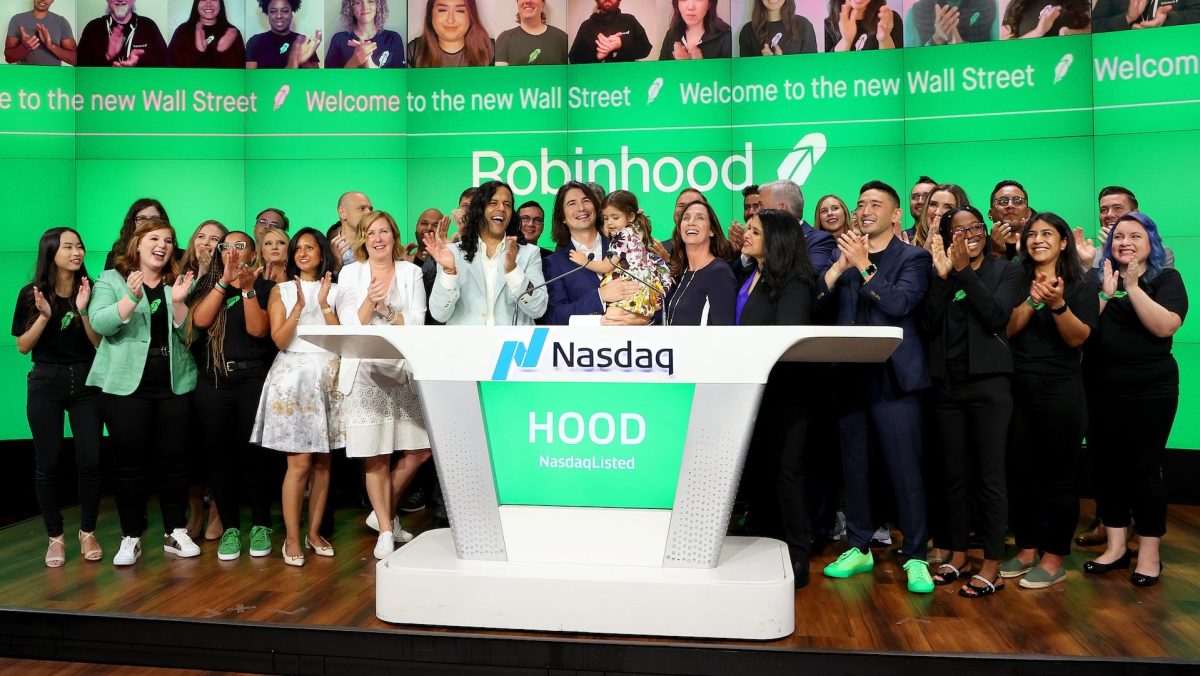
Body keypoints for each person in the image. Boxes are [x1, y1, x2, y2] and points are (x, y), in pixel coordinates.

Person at [816, 181, 934, 595]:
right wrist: (836, 269)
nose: (865, 210)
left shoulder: (914, 257)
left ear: (896, 214)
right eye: (861, 203)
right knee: (856, 468)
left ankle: (917, 555)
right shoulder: (840, 256)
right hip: (850, 376)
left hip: (895, 379)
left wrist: (865, 266)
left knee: (905, 470)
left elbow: (900, 304)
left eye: (875, 204)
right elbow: (816, 306)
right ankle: (860, 545)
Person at [921, 206, 1021, 597]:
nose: (969, 235)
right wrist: (946, 278)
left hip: (989, 387)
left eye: (975, 228)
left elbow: (997, 316)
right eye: (958, 231)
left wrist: (964, 272)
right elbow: (927, 324)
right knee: (954, 476)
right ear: (947, 237)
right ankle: (959, 554)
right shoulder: (940, 274)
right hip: (947, 386)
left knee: (990, 477)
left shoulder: (1006, 269)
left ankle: (992, 563)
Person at [1083, 212, 1186, 588]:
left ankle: (1149, 552)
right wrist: (1106, 295)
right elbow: (1081, 333)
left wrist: (1134, 287)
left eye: (1135, 236)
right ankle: (1115, 546)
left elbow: (1165, 326)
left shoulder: (1165, 278)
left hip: (1151, 388)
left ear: (1151, 243)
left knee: (1144, 468)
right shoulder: (1096, 280)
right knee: (1106, 466)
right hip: (1099, 386)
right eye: (1118, 236)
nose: (1125, 241)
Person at [88, 218, 198, 566]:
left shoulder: (175, 284)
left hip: (173, 382)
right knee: (130, 465)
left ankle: (175, 531)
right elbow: (101, 324)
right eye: (154, 238)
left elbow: (189, 337)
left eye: (168, 240)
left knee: (175, 462)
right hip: (125, 386)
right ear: (137, 243)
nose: (162, 245)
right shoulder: (111, 280)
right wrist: (132, 298)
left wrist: (180, 302)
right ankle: (131, 536)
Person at [1001, 212, 1095, 589]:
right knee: (1019, 474)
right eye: (1032, 234)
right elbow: (1005, 329)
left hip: (1062, 391)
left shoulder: (1081, 284)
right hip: (1018, 388)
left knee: (1059, 479)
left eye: (1047, 234)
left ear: (1063, 242)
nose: (1037, 239)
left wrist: (1057, 304)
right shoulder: (1016, 278)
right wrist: (1033, 302)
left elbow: (1078, 338)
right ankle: (1026, 550)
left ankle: (1054, 558)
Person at [335, 211, 432, 559]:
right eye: (370, 233)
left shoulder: (411, 272)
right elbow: (348, 325)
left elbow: (418, 322)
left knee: (419, 449)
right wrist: (368, 302)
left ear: (393, 235)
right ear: (363, 239)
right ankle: (388, 530)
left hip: (402, 371)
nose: (377, 238)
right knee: (375, 455)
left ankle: (381, 514)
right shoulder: (350, 273)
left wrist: (389, 312)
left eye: (383, 231)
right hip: (364, 373)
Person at [251, 228, 342, 567]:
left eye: (310, 247)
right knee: (299, 462)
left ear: (322, 253)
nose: (303, 253)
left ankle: (314, 532)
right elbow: (280, 340)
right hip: (293, 380)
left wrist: (323, 304)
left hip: (328, 378)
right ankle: (291, 537)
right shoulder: (281, 290)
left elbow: (342, 339)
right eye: (298, 248)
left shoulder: (338, 288)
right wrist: (300, 309)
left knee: (323, 463)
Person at [737, 209, 816, 587]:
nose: (747, 233)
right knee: (763, 472)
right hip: (754, 391)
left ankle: (799, 553)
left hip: (786, 391)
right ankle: (767, 545)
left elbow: (787, 338)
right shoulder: (752, 275)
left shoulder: (796, 282)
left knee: (788, 472)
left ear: (777, 239)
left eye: (755, 230)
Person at [14, 228, 101, 566]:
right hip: (45, 381)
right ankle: (55, 537)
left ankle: (87, 531)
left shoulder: (90, 289)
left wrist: (82, 310)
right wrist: (45, 316)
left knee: (91, 461)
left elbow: (97, 343)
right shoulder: (31, 293)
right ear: (51, 252)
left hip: (86, 380)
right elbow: (23, 346)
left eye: (79, 245)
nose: (76, 252)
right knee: (47, 463)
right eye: (68, 247)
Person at [188, 232, 277, 561]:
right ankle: (229, 528)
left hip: (252, 378)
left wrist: (248, 288)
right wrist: (224, 283)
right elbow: (199, 321)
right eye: (227, 246)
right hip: (213, 382)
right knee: (220, 460)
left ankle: (261, 524)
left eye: (241, 245)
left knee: (255, 457)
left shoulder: (265, 288)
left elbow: (258, 330)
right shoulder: (209, 286)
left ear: (253, 252)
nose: (233, 251)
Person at [425, 180, 548, 325]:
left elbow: (538, 309)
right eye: (493, 202)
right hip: (466, 345)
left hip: (512, 345)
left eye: (507, 204)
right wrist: (448, 271)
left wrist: (513, 270)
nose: (502, 208)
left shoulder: (529, 253)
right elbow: (439, 314)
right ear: (479, 210)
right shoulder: (453, 253)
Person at [541, 181, 638, 324]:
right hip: (581, 345)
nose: (581, 208)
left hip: (635, 342)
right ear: (562, 217)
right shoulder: (554, 263)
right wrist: (600, 296)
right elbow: (555, 316)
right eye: (571, 203)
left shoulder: (626, 245)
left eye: (586, 201)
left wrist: (643, 319)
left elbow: (656, 293)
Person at [572, 190, 672, 324]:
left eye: (615, 217)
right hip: (644, 284)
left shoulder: (622, 236)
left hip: (631, 285)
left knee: (612, 318)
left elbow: (606, 266)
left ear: (630, 216)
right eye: (606, 218)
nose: (609, 223)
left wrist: (584, 261)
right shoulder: (636, 227)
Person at [665, 201, 736, 325]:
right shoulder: (684, 271)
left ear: (711, 230)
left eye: (700, 218)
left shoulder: (719, 272)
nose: (691, 222)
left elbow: (724, 331)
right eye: (686, 218)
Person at [77, 0, 170, 66]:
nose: (120, 0)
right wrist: (107, 56)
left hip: (139, 90)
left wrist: (138, 63)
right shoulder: (93, 28)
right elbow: (79, 67)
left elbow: (166, 63)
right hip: (103, 91)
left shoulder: (149, 26)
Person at [407, 0, 492, 67]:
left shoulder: (490, 50)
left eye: (460, 11)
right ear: (431, 14)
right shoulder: (413, 51)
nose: (450, 20)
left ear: (471, 16)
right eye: (442, 10)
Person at [568, 0, 652, 64]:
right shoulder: (586, 26)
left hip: (627, 80)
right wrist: (597, 56)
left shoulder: (630, 20)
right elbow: (573, 58)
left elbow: (646, 48)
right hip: (595, 82)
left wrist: (621, 45)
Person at [327, 0, 404, 68]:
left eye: (370, 1)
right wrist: (353, 63)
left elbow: (398, 81)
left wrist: (369, 64)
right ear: (351, 8)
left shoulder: (393, 39)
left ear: (378, 5)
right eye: (358, 2)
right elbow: (329, 81)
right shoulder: (338, 40)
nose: (365, 7)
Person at [168, 0, 245, 68]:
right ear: (197, 3)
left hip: (223, 83)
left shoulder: (232, 32)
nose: (208, 4)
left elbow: (242, 71)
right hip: (190, 83)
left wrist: (224, 52)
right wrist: (197, 52)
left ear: (220, 3)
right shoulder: (183, 30)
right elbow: (170, 64)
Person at [246, 0, 321, 68]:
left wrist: (304, 62)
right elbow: (251, 79)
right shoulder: (255, 42)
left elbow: (316, 78)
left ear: (291, 13)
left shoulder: (304, 41)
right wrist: (293, 62)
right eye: (273, 11)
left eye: (285, 11)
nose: (279, 16)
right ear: (267, 14)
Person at [495, 0, 567, 65]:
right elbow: (501, 77)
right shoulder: (504, 39)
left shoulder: (562, 38)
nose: (528, 1)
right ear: (517, 2)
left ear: (543, 3)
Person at [5, 0, 77, 65]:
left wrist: (51, 46)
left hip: (53, 76)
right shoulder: (17, 19)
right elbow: (8, 59)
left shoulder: (61, 22)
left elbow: (74, 60)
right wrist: (24, 48)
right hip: (24, 76)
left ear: (52, 0)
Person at [106, 198, 170, 270]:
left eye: (155, 219)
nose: (148, 223)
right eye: (142, 218)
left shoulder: (179, 257)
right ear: (132, 223)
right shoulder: (115, 256)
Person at [659, 0, 732, 60]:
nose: (690, 7)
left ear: (709, 4)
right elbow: (661, 73)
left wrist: (698, 66)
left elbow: (728, 77)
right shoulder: (671, 35)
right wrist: (680, 66)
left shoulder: (725, 37)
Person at [738, 0, 817, 56]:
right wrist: (763, 63)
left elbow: (811, 69)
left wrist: (779, 64)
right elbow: (746, 74)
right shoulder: (748, 31)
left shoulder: (803, 25)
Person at [904, 0, 997, 45]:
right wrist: (936, 40)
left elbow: (997, 59)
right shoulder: (916, 13)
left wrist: (958, 42)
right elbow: (911, 67)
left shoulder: (990, 5)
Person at [825, 0, 902, 51]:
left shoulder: (888, 19)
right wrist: (846, 41)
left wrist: (885, 39)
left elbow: (895, 66)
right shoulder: (827, 25)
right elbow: (827, 70)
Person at [912, 183, 969, 249]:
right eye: (933, 204)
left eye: (948, 207)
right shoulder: (908, 245)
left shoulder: (971, 245)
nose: (938, 212)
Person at [1000, 0, 1090, 38]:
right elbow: (1004, 48)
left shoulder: (1077, 2)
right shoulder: (1016, 5)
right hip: (1029, 71)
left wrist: (1069, 32)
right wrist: (1038, 32)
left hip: (1069, 66)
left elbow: (1090, 29)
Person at [988, 179, 1030, 259]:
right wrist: (995, 251)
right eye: (1002, 201)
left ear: (1028, 213)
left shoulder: (1038, 244)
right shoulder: (978, 245)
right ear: (990, 214)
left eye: (1017, 200)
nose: (1010, 205)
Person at [1093, 0, 1200, 31]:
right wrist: (1127, 18)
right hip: (1125, 63)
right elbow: (1094, 25)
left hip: (1174, 58)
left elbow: (1197, 13)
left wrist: (1168, 19)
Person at [330, 191, 373, 268]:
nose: (369, 213)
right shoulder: (327, 250)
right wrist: (336, 267)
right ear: (342, 212)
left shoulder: (378, 244)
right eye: (362, 208)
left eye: (370, 209)